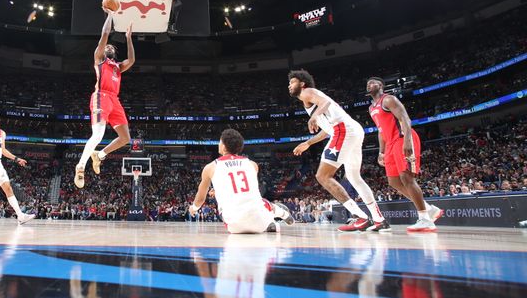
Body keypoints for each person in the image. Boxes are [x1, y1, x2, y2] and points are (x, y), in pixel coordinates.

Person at [288, 70, 389, 232]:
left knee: (322, 176)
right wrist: (308, 142)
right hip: (351, 130)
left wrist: (314, 117)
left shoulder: (308, 92)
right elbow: (327, 130)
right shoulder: (310, 100)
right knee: (355, 178)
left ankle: (361, 217)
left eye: (292, 82)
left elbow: (325, 103)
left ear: (302, 83)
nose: (289, 86)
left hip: (343, 130)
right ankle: (379, 219)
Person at [366, 77, 442, 232]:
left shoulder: (388, 100)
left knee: (406, 177)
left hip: (402, 138)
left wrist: (407, 140)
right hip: (390, 144)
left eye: (373, 82)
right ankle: (429, 209)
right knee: (393, 181)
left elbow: (405, 118)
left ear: (381, 86)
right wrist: (381, 151)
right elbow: (381, 131)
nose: (369, 85)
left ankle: (425, 219)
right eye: (368, 84)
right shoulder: (371, 108)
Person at [189, 128, 293, 234]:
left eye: (219, 142)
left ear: (224, 146)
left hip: (235, 226)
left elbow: (200, 199)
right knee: (263, 202)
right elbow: (243, 189)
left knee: (227, 206)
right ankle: (279, 216)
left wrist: (193, 208)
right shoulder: (253, 165)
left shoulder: (210, 167)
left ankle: (273, 222)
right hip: (259, 221)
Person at [74, 9, 135, 188]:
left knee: (125, 138)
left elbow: (131, 60)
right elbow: (105, 34)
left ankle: (99, 155)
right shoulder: (100, 60)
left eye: (111, 47)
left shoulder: (118, 67)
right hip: (100, 97)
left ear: (114, 53)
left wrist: (129, 37)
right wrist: (110, 15)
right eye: (106, 47)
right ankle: (80, 166)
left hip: (114, 100)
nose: (108, 47)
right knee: (98, 134)